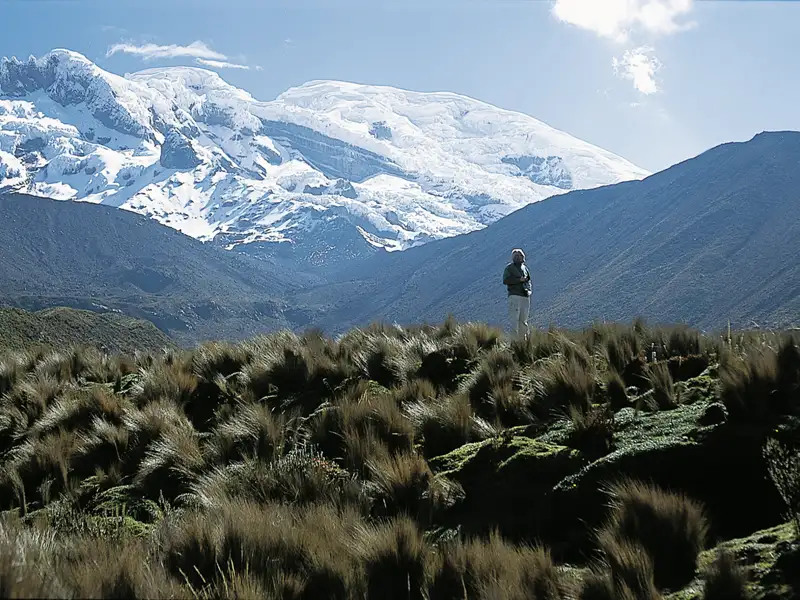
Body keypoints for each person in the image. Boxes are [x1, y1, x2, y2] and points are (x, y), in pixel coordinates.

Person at [502, 248, 532, 341]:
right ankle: (514, 342)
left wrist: (529, 290)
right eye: (516, 256)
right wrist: (518, 280)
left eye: (520, 256)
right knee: (514, 319)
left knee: (523, 320)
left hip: (525, 295)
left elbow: (528, 280)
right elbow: (506, 280)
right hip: (514, 295)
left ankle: (523, 341)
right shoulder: (509, 268)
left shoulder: (525, 268)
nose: (519, 258)